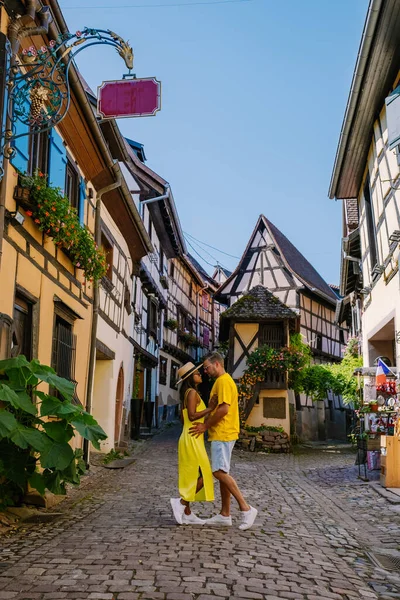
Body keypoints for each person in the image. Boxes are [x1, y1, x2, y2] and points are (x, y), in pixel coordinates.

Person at [189, 352, 257, 530]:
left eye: (207, 367)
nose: (205, 371)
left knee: (219, 472)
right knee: (222, 471)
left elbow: (224, 409)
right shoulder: (221, 382)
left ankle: (246, 509)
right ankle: (225, 514)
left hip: (223, 432)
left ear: (217, 364)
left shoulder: (224, 381)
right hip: (223, 432)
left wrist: (205, 426)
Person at [170, 361, 217, 525]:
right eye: (197, 373)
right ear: (191, 377)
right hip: (192, 438)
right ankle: (181, 503)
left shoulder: (188, 393)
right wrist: (210, 408)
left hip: (190, 436)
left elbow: (184, 418)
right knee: (204, 474)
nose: (200, 374)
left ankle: (187, 513)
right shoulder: (192, 393)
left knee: (193, 475)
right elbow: (190, 416)